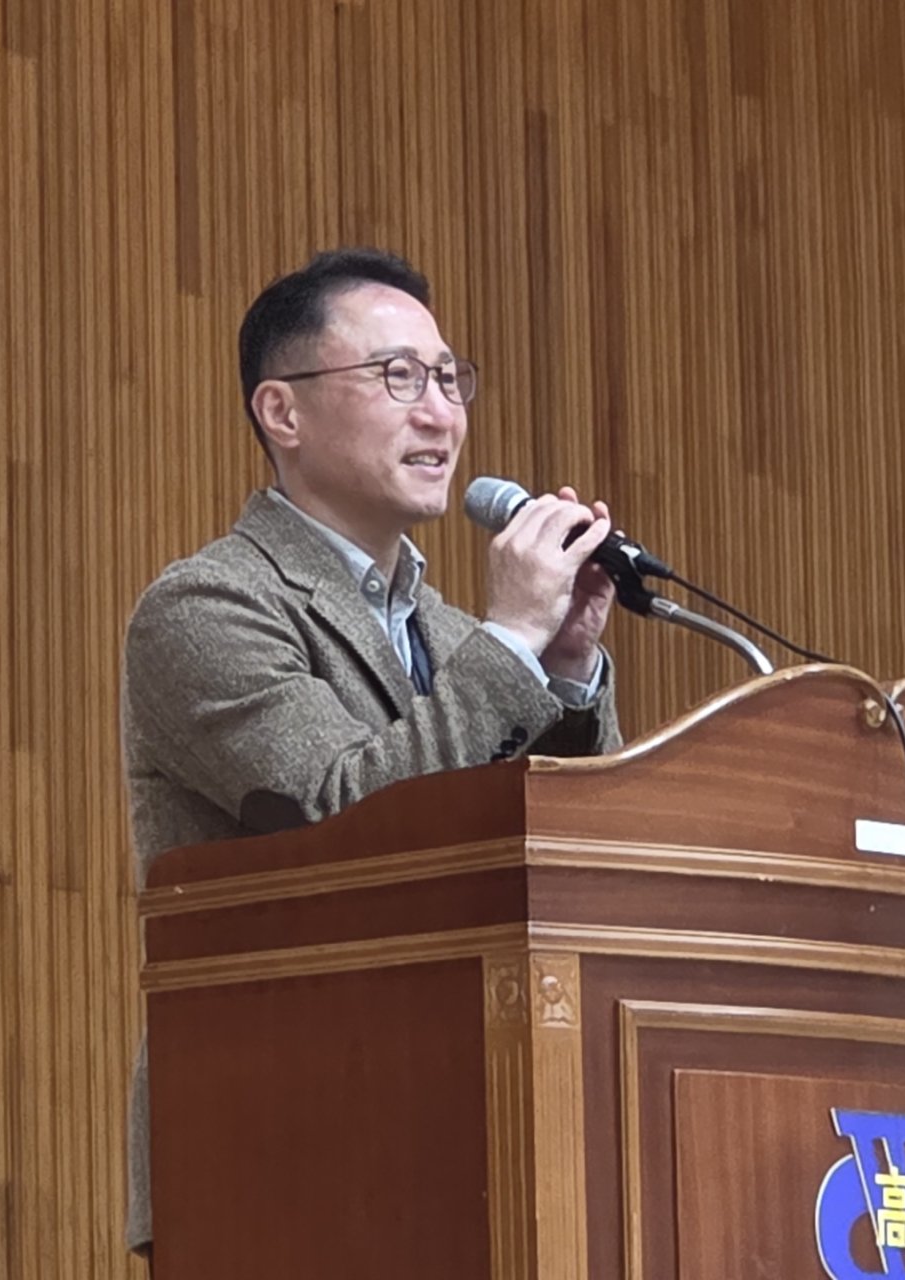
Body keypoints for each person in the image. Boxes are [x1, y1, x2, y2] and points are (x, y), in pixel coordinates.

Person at [119, 247, 623, 1257]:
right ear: (283, 411)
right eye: (397, 376)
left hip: (470, 1122)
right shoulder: (207, 606)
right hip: (276, 1135)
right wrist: (513, 645)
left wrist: (566, 669)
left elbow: (568, 858)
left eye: (448, 378)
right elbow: (342, 812)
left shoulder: (456, 634)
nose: (440, 413)